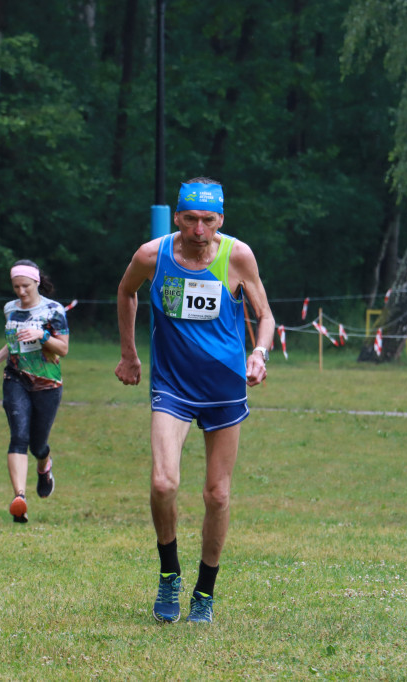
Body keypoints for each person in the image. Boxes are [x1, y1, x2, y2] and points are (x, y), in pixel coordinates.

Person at [114, 178, 274, 623]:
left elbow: (266, 316)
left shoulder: (237, 256)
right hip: (172, 386)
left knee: (217, 495)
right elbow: (126, 292)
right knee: (164, 483)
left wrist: (259, 353)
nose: (199, 230)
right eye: (190, 219)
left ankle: (205, 591)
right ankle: (169, 573)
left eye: (208, 220)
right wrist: (129, 353)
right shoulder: (152, 256)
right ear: (177, 217)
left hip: (224, 388)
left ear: (221, 219)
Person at [0, 259, 70, 523]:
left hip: (47, 382)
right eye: (16, 286)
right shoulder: (10, 309)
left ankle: (45, 466)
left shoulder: (54, 310)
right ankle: (19, 498)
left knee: (37, 444)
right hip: (15, 377)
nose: (21, 292)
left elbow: (63, 349)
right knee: (18, 435)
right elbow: (13, 342)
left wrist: (41, 336)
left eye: (26, 286)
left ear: (37, 282)